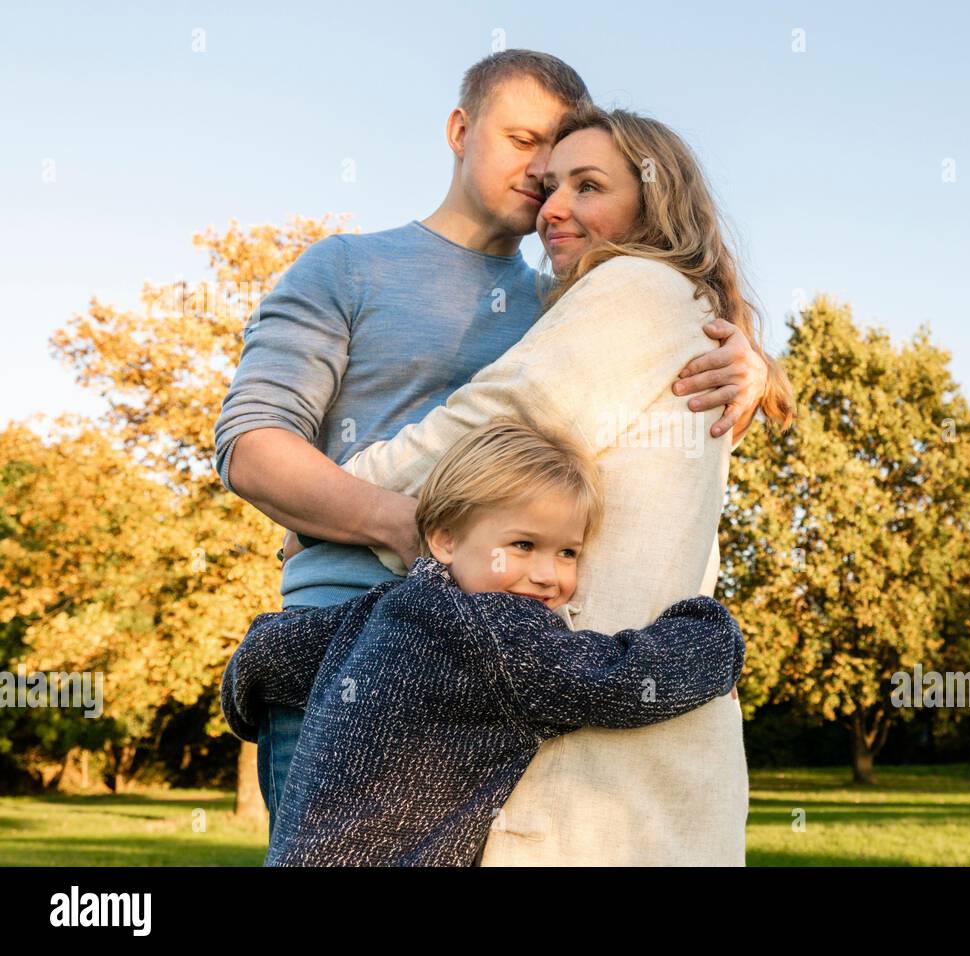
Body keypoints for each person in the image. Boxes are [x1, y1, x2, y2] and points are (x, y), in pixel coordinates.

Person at [211, 50, 772, 842]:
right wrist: (400, 524)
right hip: (339, 630)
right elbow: (251, 447)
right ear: (459, 129)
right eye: (522, 140)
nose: (541, 173)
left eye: (566, 162)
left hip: (497, 648)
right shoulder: (348, 266)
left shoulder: (567, 299)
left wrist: (751, 364)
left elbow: (642, 339)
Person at [332, 103, 797, 866]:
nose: (554, 209)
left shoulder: (637, 287)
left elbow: (499, 418)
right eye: (549, 188)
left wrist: (339, 495)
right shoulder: (684, 306)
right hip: (644, 729)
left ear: (656, 200)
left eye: (588, 186)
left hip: (592, 739)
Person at [221, 418, 745, 866]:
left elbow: (273, 651)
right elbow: (615, 681)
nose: (547, 575)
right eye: (523, 545)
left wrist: (242, 701)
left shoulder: (387, 605)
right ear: (444, 538)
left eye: (568, 553)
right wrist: (713, 639)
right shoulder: (497, 634)